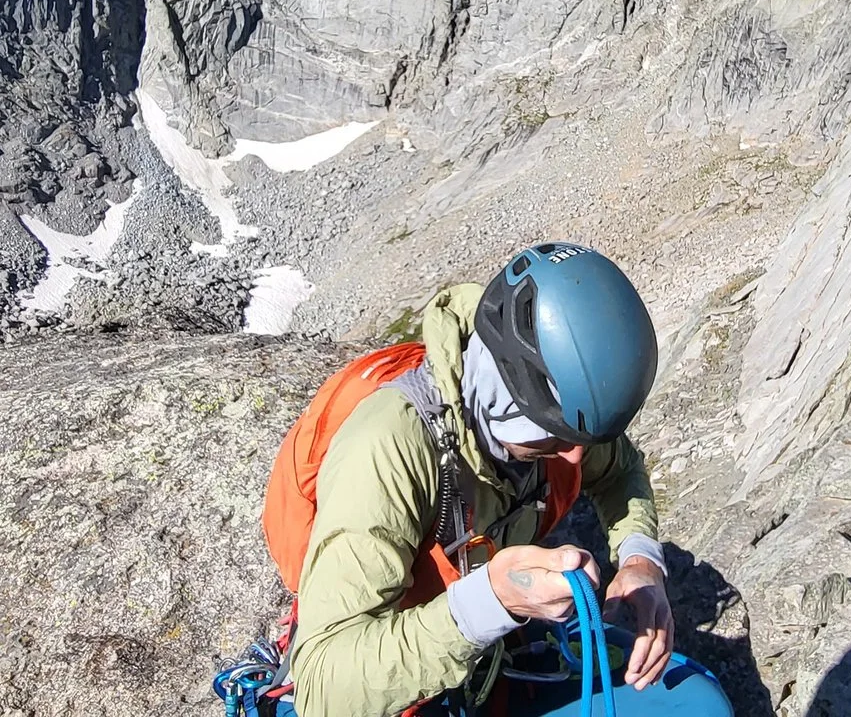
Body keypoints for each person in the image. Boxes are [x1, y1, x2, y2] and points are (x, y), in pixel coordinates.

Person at [272, 242, 675, 717]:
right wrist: (493, 601)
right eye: (552, 440)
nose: (574, 456)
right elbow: (322, 686)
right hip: (395, 679)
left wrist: (640, 561)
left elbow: (620, 470)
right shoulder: (387, 447)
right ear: (503, 398)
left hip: (491, 652)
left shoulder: (559, 413)